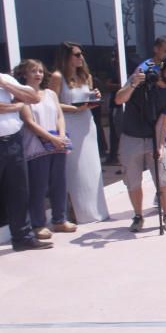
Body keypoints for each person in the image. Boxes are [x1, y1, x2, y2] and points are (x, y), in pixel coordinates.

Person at [115, 54, 166, 232]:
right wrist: (133, 84)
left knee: (162, 177)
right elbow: (119, 99)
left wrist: (160, 147)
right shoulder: (140, 80)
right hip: (131, 137)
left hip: (153, 139)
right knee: (133, 180)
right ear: (163, 67)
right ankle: (138, 216)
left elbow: (162, 122)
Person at [49, 42, 110, 224]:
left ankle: (95, 210)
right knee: (74, 170)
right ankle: (75, 211)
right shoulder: (58, 77)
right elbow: (51, 102)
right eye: (76, 54)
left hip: (87, 123)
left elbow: (88, 98)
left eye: (81, 54)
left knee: (92, 168)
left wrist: (94, 96)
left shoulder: (86, 76)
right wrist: (73, 109)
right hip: (69, 124)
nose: (80, 57)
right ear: (66, 57)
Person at [14, 60, 75, 240]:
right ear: (24, 74)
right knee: (38, 187)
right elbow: (29, 122)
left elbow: (59, 116)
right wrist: (52, 139)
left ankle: (59, 220)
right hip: (36, 147)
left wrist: (61, 136)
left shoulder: (50, 94)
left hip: (57, 145)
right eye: (33, 71)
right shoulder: (22, 95)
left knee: (59, 184)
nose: (38, 74)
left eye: (40, 71)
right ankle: (38, 224)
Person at [1, 70, 52, 251]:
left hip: (13, 141)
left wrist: (6, 85)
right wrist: (16, 105)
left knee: (19, 191)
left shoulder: (6, 79)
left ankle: (22, 238)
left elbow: (33, 97)